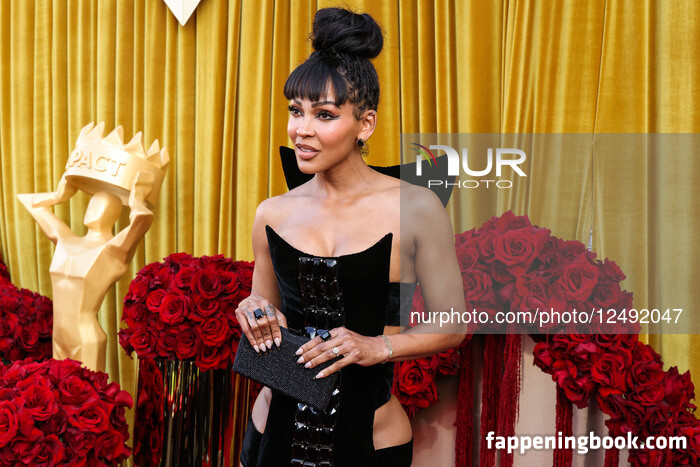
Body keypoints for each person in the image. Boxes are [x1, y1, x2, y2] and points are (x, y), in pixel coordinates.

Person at [235, 8, 467, 466]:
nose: (302, 129)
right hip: (271, 435)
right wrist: (255, 311)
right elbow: (268, 314)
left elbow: (453, 324)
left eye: (324, 115)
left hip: (371, 440)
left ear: (365, 124)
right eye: (296, 111)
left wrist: (376, 346)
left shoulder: (417, 209)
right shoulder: (272, 213)